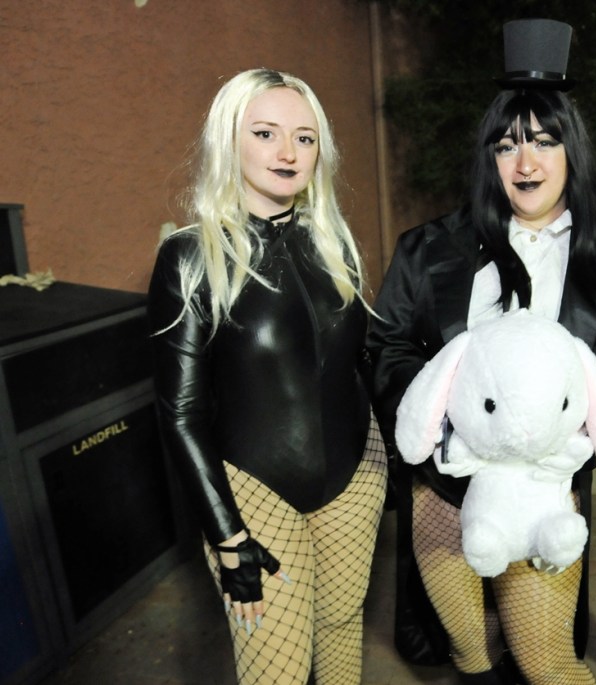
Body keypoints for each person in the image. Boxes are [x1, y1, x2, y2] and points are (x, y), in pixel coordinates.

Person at [367, 19, 596, 684]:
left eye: (544, 142)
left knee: (545, 661)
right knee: (468, 655)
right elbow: (387, 346)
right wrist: (441, 428)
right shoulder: (426, 250)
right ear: (488, 159)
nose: (525, 163)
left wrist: (563, 441)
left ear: (571, 154)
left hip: (545, 495)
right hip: (442, 490)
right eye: (506, 145)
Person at [148, 68, 387, 685]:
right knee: (272, 673)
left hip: (357, 476)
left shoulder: (332, 241)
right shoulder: (189, 256)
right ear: (230, 141)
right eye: (265, 132)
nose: (288, 152)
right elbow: (180, 414)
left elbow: (359, 364)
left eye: (305, 139)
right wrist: (227, 536)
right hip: (253, 493)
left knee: (340, 632)